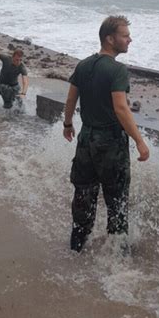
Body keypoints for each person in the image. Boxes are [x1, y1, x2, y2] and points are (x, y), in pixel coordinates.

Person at [63, 16, 150, 253]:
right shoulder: (117, 69)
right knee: (117, 199)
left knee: (83, 194)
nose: (129, 39)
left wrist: (68, 124)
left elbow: (71, 98)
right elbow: (120, 108)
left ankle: (77, 245)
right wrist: (139, 141)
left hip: (85, 140)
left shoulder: (83, 65)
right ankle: (118, 256)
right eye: (125, 35)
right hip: (110, 144)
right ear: (110, 39)